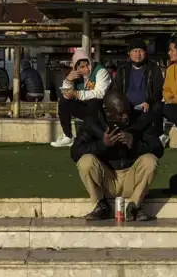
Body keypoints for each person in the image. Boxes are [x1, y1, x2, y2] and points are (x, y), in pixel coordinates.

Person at [71, 89, 165, 222]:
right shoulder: (93, 121)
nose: (125, 117)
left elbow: (158, 149)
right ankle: (101, 205)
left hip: (132, 179)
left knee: (150, 161)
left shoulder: (140, 119)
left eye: (127, 112)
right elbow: (75, 152)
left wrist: (135, 144)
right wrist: (102, 145)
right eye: (120, 114)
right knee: (85, 162)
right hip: (106, 180)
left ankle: (134, 206)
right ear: (108, 112)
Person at [50, 49, 111, 148]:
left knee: (95, 102)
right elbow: (66, 93)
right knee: (63, 101)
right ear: (76, 67)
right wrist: (68, 80)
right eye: (82, 67)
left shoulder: (101, 71)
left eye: (88, 65)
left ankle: (99, 134)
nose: (86, 69)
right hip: (85, 107)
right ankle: (68, 136)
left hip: (101, 111)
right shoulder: (75, 75)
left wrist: (77, 94)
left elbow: (100, 93)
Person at [108, 39, 164, 114]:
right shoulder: (122, 69)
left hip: (148, 107)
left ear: (145, 53)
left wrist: (149, 102)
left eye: (141, 51)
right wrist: (121, 105)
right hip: (126, 108)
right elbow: (117, 90)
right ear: (129, 53)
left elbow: (158, 91)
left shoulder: (153, 68)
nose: (138, 54)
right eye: (135, 51)